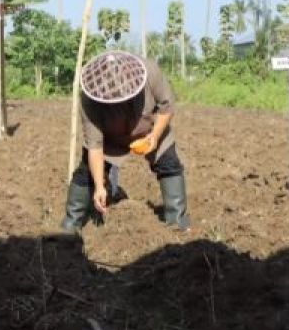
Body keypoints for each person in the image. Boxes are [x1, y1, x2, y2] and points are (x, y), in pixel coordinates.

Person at [62, 50, 192, 233]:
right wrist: (100, 186)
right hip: (110, 137)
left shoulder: (150, 72)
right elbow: (95, 147)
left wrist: (155, 135)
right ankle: (70, 226)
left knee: (169, 164)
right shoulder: (89, 100)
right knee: (86, 174)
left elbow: (167, 106)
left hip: (150, 128)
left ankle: (177, 222)